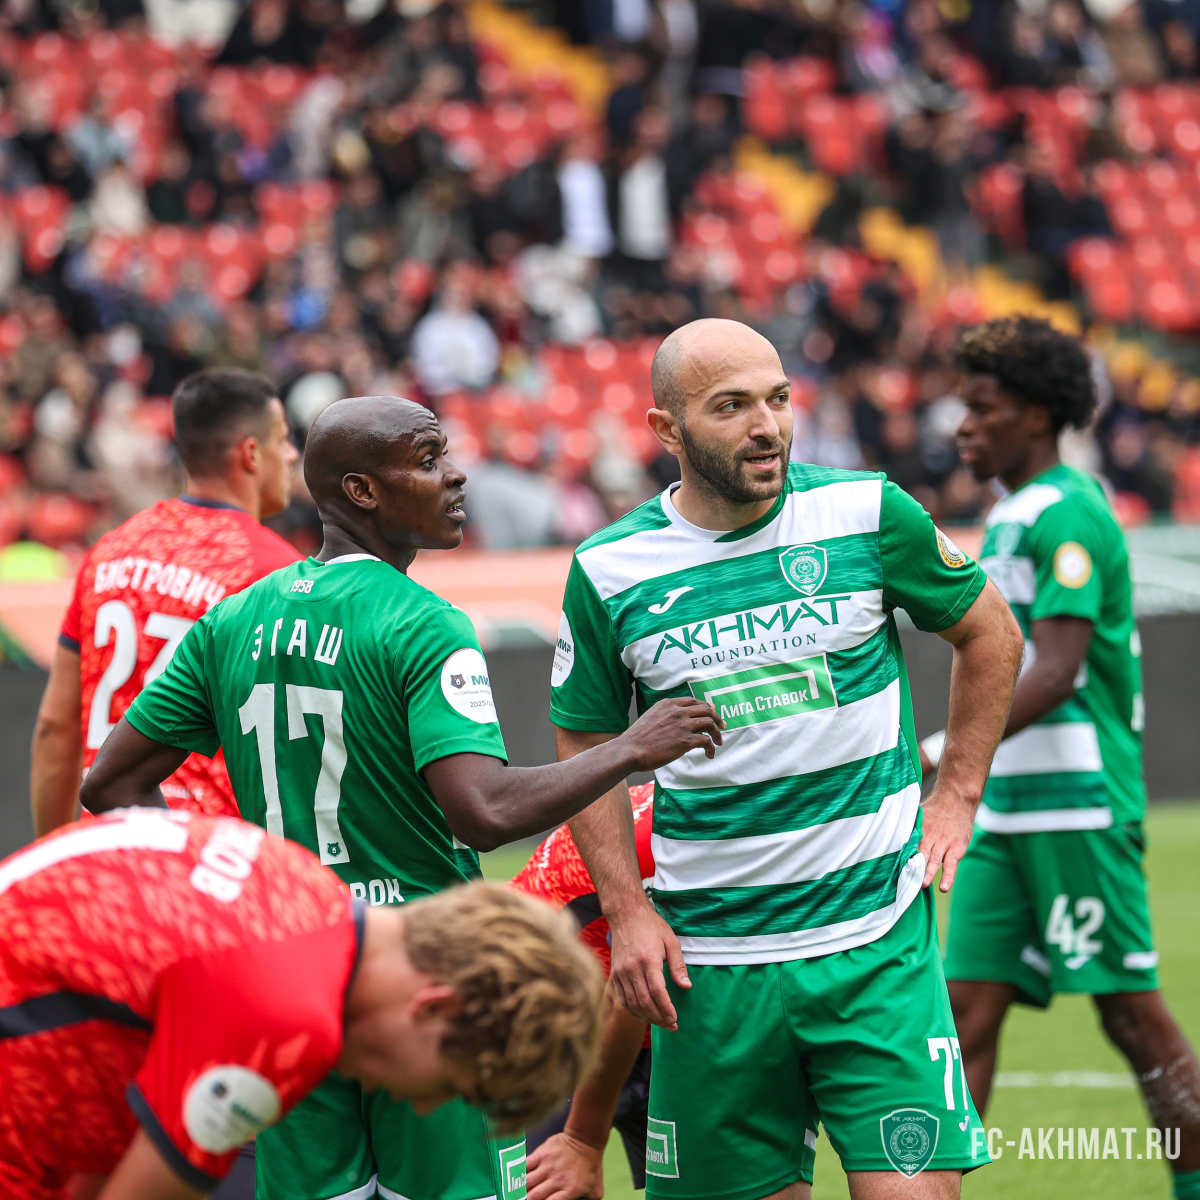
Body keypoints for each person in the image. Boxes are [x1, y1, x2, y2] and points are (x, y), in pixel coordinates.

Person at [79, 394, 723, 1200]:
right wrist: (628, 747)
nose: (456, 475)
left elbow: (109, 784)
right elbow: (483, 812)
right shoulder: (422, 623)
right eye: (427, 459)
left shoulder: (232, 620)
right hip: (421, 980)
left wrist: (230, 885)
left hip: (281, 972)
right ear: (360, 491)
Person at [549, 318, 1026, 1199]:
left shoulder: (867, 512)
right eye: (730, 406)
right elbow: (584, 739)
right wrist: (626, 909)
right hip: (709, 963)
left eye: (776, 399)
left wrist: (959, 791)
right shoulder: (610, 568)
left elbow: (991, 630)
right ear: (667, 430)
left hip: (874, 944)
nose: (766, 426)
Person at [0, 807, 603, 1200]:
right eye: (449, 1086)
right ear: (434, 1008)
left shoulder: (305, 886)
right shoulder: (286, 1016)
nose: (424, 1106)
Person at [940, 316, 1200, 1199]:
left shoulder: (1070, 511)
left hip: (1078, 803)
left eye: (983, 407)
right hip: (1006, 807)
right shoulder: (1010, 515)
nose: (963, 425)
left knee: (1130, 1016)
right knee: (961, 1016)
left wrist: (940, 754)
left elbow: (1056, 670)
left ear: (1037, 413)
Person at [31, 368, 301, 835]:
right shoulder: (276, 573)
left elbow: (56, 727)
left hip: (107, 847)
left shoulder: (109, 552)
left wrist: (59, 855)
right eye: (283, 440)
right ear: (252, 454)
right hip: (210, 854)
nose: (292, 454)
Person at [514, 782, 657, 1200]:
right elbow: (633, 988)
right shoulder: (675, 842)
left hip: (658, 1020)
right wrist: (583, 1139)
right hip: (559, 1022)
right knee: (543, 1182)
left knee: (721, 1183)